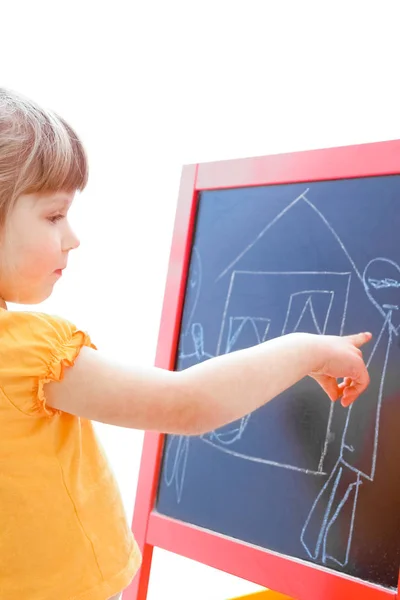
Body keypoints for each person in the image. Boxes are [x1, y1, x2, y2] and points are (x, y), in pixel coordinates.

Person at [0, 87, 372, 600]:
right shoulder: (27, 353)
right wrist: (307, 349)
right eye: (52, 216)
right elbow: (187, 404)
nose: (72, 237)